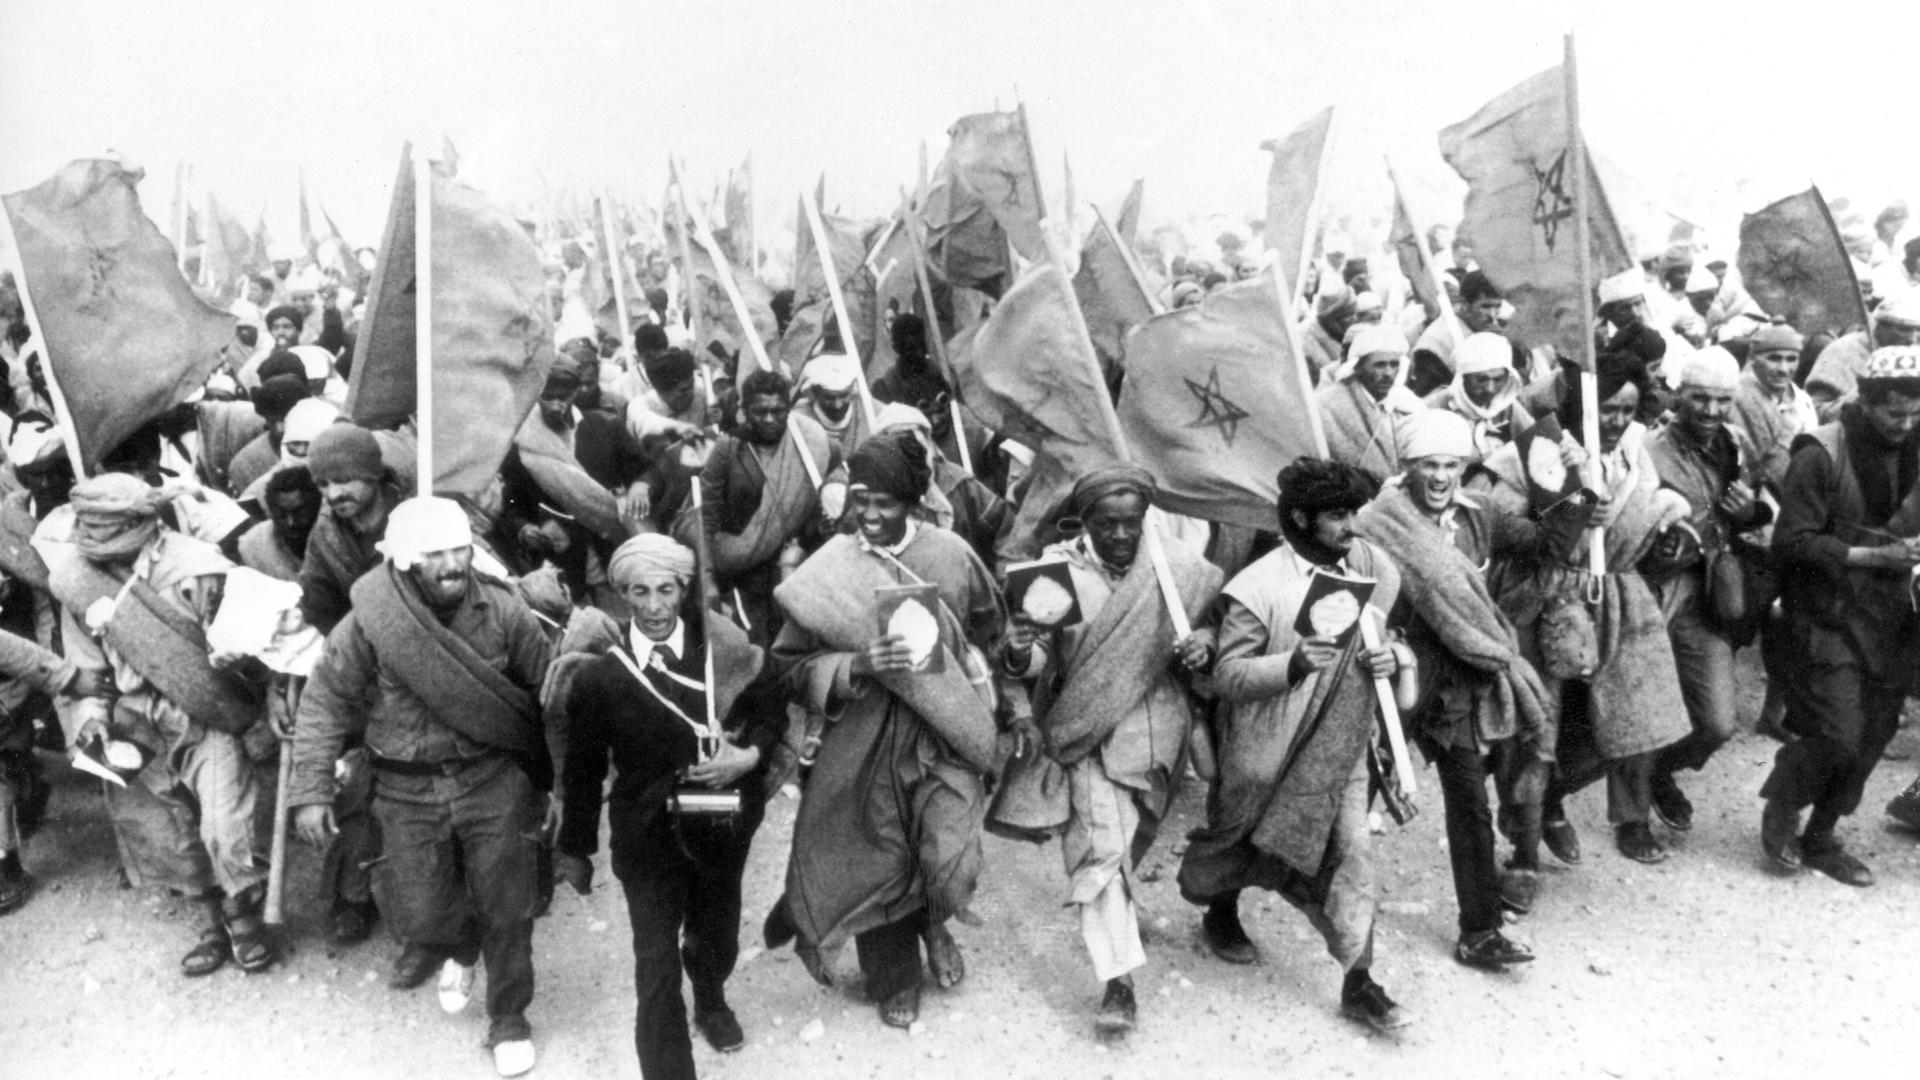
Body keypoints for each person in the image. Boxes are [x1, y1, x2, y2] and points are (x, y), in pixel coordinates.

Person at [291, 497, 553, 1078]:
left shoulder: (506, 612)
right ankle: (462, 947)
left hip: (490, 780)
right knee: (422, 915)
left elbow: (548, 692)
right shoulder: (370, 619)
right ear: (407, 559)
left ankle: (509, 1019)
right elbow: (326, 700)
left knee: (508, 908)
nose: (451, 563)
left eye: (459, 548)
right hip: (405, 789)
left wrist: (555, 783)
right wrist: (310, 790)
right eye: (434, 552)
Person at [761, 433, 1003, 1030]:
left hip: (943, 733)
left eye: (886, 503)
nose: (869, 515)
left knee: (951, 857)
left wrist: (1002, 681)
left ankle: (935, 922)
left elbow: (988, 635)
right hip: (862, 738)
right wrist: (855, 665)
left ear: (914, 500)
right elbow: (788, 667)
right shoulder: (829, 569)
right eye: (861, 500)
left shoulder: (949, 554)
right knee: (879, 856)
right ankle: (895, 978)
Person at [1178, 458, 1411, 1031]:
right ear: (1301, 518)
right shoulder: (1257, 587)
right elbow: (1226, 676)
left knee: (1352, 856)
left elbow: (1390, 638)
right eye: (1337, 515)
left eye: (1353, 513)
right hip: (1265, 751)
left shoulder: (1366, 572)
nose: (1350, 526)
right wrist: (1294, 664)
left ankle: (1360, 980)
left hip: (1341, 748)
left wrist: (1393, 657)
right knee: (1242, 839)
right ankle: (1221, 911)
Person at [999, 465, 1221, 1035]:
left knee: (1130, 843)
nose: (1120, 536)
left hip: (1160, 737)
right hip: (1089, 732)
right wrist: (1021, 651)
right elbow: (1041, 659)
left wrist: (1205, 646)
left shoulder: (1178, 568)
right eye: (1107, 524)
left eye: (1131, 523)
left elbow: (1217, 631)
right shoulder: (1056, 573)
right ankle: (1118, 984)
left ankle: (1116, 914)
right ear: (1084, 520)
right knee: (1100, 851)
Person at [557, 534, 786, 1078]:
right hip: (645, 832)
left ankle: (710, 997)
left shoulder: (722, 653)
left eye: (666, 590)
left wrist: (746, 757)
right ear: (622, 595)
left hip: (717, 824)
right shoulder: (601, 677)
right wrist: (576, 850)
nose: (654, 606)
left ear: (685, 590)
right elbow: (584, 769)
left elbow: (772, 712)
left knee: (716, 936)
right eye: (640, 592)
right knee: (654, 964)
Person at [48, 473, 277, 976]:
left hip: (203, 710)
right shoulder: (76, 580)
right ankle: (209, 923)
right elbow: (86, 663)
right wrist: (92, 718)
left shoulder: (197, 569)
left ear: (144, 525)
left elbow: (244, 648)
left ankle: (245, 917)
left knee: (223, 824)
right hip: (134, 717)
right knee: (168, 827)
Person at [1353, 410, 1556, 970]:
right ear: (1405, 469)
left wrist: (1576, 493)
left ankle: (1480, 929)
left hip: (1457, 678)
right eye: (1427, 466)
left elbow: (1542, 542)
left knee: (1469, 798)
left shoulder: (1478, 516)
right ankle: (1309, 897)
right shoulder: (1375, 523)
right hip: (1391, 676)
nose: (1440, 477)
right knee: (1355, 793)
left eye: (1451, 465)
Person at [1477, 352, 1693, 873]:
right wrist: (1568, 515)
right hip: (1544, 597)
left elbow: (1647, 509)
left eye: (1628, 409)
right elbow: (1496, 525)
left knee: (1637, 717)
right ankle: (1525, 851)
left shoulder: (1635, 455)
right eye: (1608, 409)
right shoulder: (1536, 452)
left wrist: (1665, 535)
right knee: (1537, 729)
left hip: (1618, 594)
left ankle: (1581, 802)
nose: (1617, 421)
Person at [1758, 346, 1920, 885]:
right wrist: (1873, 556)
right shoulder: (1822, 452)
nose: (1906, 424)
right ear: (1867, 402)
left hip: (1891, 616)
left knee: (1873, 736)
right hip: (1825, 612)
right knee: (1839, 734)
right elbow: (1792, 542)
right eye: (1895, 412)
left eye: (1916, 413)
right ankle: (1785, 802)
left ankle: (1822, 834)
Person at [1644, 346, 1771, 837]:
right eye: (1700, 398)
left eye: (1723, 400)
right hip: (1660, 591)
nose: (1712, 411)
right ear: (1678, 395)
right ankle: (1625, 817)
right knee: (1642, 708)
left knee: (1718, 723)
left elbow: (1752, 504)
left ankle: (1660, 771)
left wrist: (1748, 512)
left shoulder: (1732, 442)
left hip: (1711, 592)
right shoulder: (1651, 452)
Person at [698, 368, 836, 646]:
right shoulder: (728, 448)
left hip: (798, 561)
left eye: (778, 410)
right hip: (742, 572)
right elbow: (707, 513)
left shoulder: (808, 441)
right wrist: (709, 577)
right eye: (761, 412)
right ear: (745, 410)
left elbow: (837, 474)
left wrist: (832, 504)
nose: (770, 419)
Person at [1316, 324, 1424, 485]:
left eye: (1394, 365)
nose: (1388, 374)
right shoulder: (1328, 406)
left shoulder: (1408, 403)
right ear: (1357, 367)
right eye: (1379, 365)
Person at [1804, 289, 1920, 421]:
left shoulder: (1915, 352)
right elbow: (1814, 413)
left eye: (1918, 330)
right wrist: (1865, 393)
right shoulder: (1842, 351)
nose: (1912, 338)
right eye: (1903, 329)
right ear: (1879, 326)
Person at [1425, 331, 1530, 463]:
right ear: (1464, 377)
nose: (1490, 389)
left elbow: (1538, 440)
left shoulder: (1505, 405)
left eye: (1498, 379)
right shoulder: (1435, 408)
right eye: (1481, 380)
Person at [237, 465, 322, 582]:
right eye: (281, 516)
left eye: (300, 514)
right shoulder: (256, 546)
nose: (291, 523)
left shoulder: (337, 536)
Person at [793, 352, 871, 461]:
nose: (837, 405)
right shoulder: (797, 419)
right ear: (815, 393)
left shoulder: (871, 410)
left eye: (844, 396)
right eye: (829, 398)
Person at [1301, 285, 1358, 385]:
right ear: (1331, 319)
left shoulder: (1344, 331)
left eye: (1356, 313)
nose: (1355, 319)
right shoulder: (1307, 341)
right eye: (1349, 315)